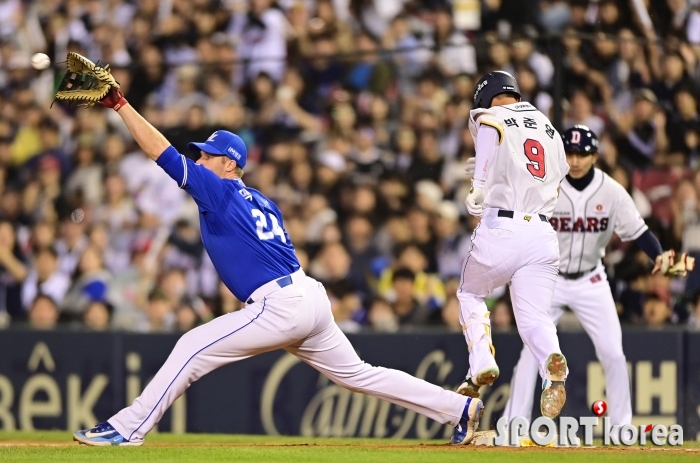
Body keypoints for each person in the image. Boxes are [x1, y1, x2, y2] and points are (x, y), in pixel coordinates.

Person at [72, 87, 482, 446]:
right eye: (198, 154)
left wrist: (122, 105)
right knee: (360, 374)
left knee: (190, 346)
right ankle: (458, 408)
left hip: (279, 303)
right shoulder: (262, 200)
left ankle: (127, 428)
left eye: (207, 156)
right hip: (307, 296)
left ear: (228, 164)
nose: (198, 160)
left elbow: (161, 152)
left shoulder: (218, 191)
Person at [501, 126, 674, 436]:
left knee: (613, 352)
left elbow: (639, 231)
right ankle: (514, 426)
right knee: (531, 353)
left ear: (595, 155)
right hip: (548, 279)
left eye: (582, 153)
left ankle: (621, 427)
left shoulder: (611, 191)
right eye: (569, 153)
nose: (575, 160)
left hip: (591, 279)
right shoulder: (544, 186)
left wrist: (657, 254)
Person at [455, 71, 570, 420]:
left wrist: (479, 183)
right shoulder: (549, 127)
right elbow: (550, 175)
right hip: (542, 233)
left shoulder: (493, 113)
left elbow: (490, 127)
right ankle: (552, 363)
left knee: (470, 294)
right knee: (535, 318)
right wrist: (495, 169)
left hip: (503, 227)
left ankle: (481, 363)